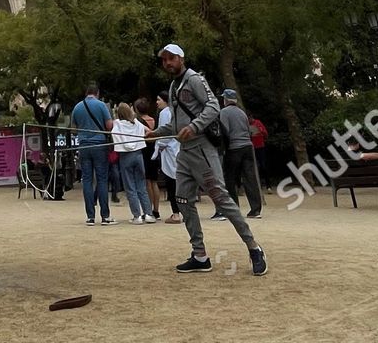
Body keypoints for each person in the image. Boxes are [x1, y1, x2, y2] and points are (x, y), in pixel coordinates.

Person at [145, 44, 267, 276]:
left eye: (171, 58)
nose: (167, 63)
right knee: (182, 199)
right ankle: (200, 255)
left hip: (202, 151)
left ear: (181, 58)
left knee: (222, 200)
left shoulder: (195, 80)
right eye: (164, 60)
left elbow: (213, 107)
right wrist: (157, 133)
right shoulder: (173, 87)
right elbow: (177, 124)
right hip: (185, 154)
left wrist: (195, 126)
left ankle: (254, 248)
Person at [71, 83, 115, 225]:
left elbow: (73, 130)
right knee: (102, 180)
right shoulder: (102, 105)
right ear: (97, 93)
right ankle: (105, 216)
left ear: (86, 93)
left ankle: (90, 216)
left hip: (83, 145)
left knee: (87, 180)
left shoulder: (77, 107)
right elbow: (109, 126)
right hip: (99, 144)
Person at [218, 90, 263, 219]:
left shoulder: (224, 112)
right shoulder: (242, 113)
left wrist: (224, 150)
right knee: (250, 178)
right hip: (248, 147)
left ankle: (233, 209)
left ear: (226, 100)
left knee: (229, 179)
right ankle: (255, 210)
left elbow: (224, 132)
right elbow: (249, 131)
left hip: (234, 147)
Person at [112, 103, 153, 223]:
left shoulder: (117, 124)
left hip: (125, 156)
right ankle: (148, 214)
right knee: (141, 185)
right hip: (138, 155)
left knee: (130, 187)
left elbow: (113, 133)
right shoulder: (136, 122)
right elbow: (148, 130)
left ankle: (137, 216)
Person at [154, 91, 182, 223]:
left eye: (159, 99)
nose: (157, 102)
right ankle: (179, 211)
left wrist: (158, 147)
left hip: (170, 150)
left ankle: (176, 213)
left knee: (172, 182)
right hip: (176, 148)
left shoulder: (165, 113)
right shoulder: (175, 111)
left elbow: (165, 133)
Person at [248, 112, 269, 186]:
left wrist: (260, 131)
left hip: (260, 146)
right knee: (254, 166)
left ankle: (267, 184)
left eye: (249, 119)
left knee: (263, 165)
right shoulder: (247, 125)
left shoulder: (258, 122)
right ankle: (257, 183)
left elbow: (265, 134)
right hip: (252, 147)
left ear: (251, 117)